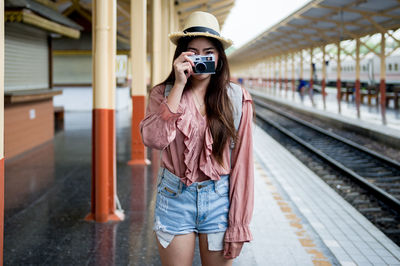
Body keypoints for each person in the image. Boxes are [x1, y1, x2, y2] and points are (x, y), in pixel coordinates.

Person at [140, 11, 254, 266]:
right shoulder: (163, 93)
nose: (201, 58)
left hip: (218, 200)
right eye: (193, 52)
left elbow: (243, 165)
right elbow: (154, 140)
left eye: (208, 52)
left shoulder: (237, 98)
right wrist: (179, 85)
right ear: (181, 56)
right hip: (174, 197)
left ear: (219, 58)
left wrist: (239, 224)